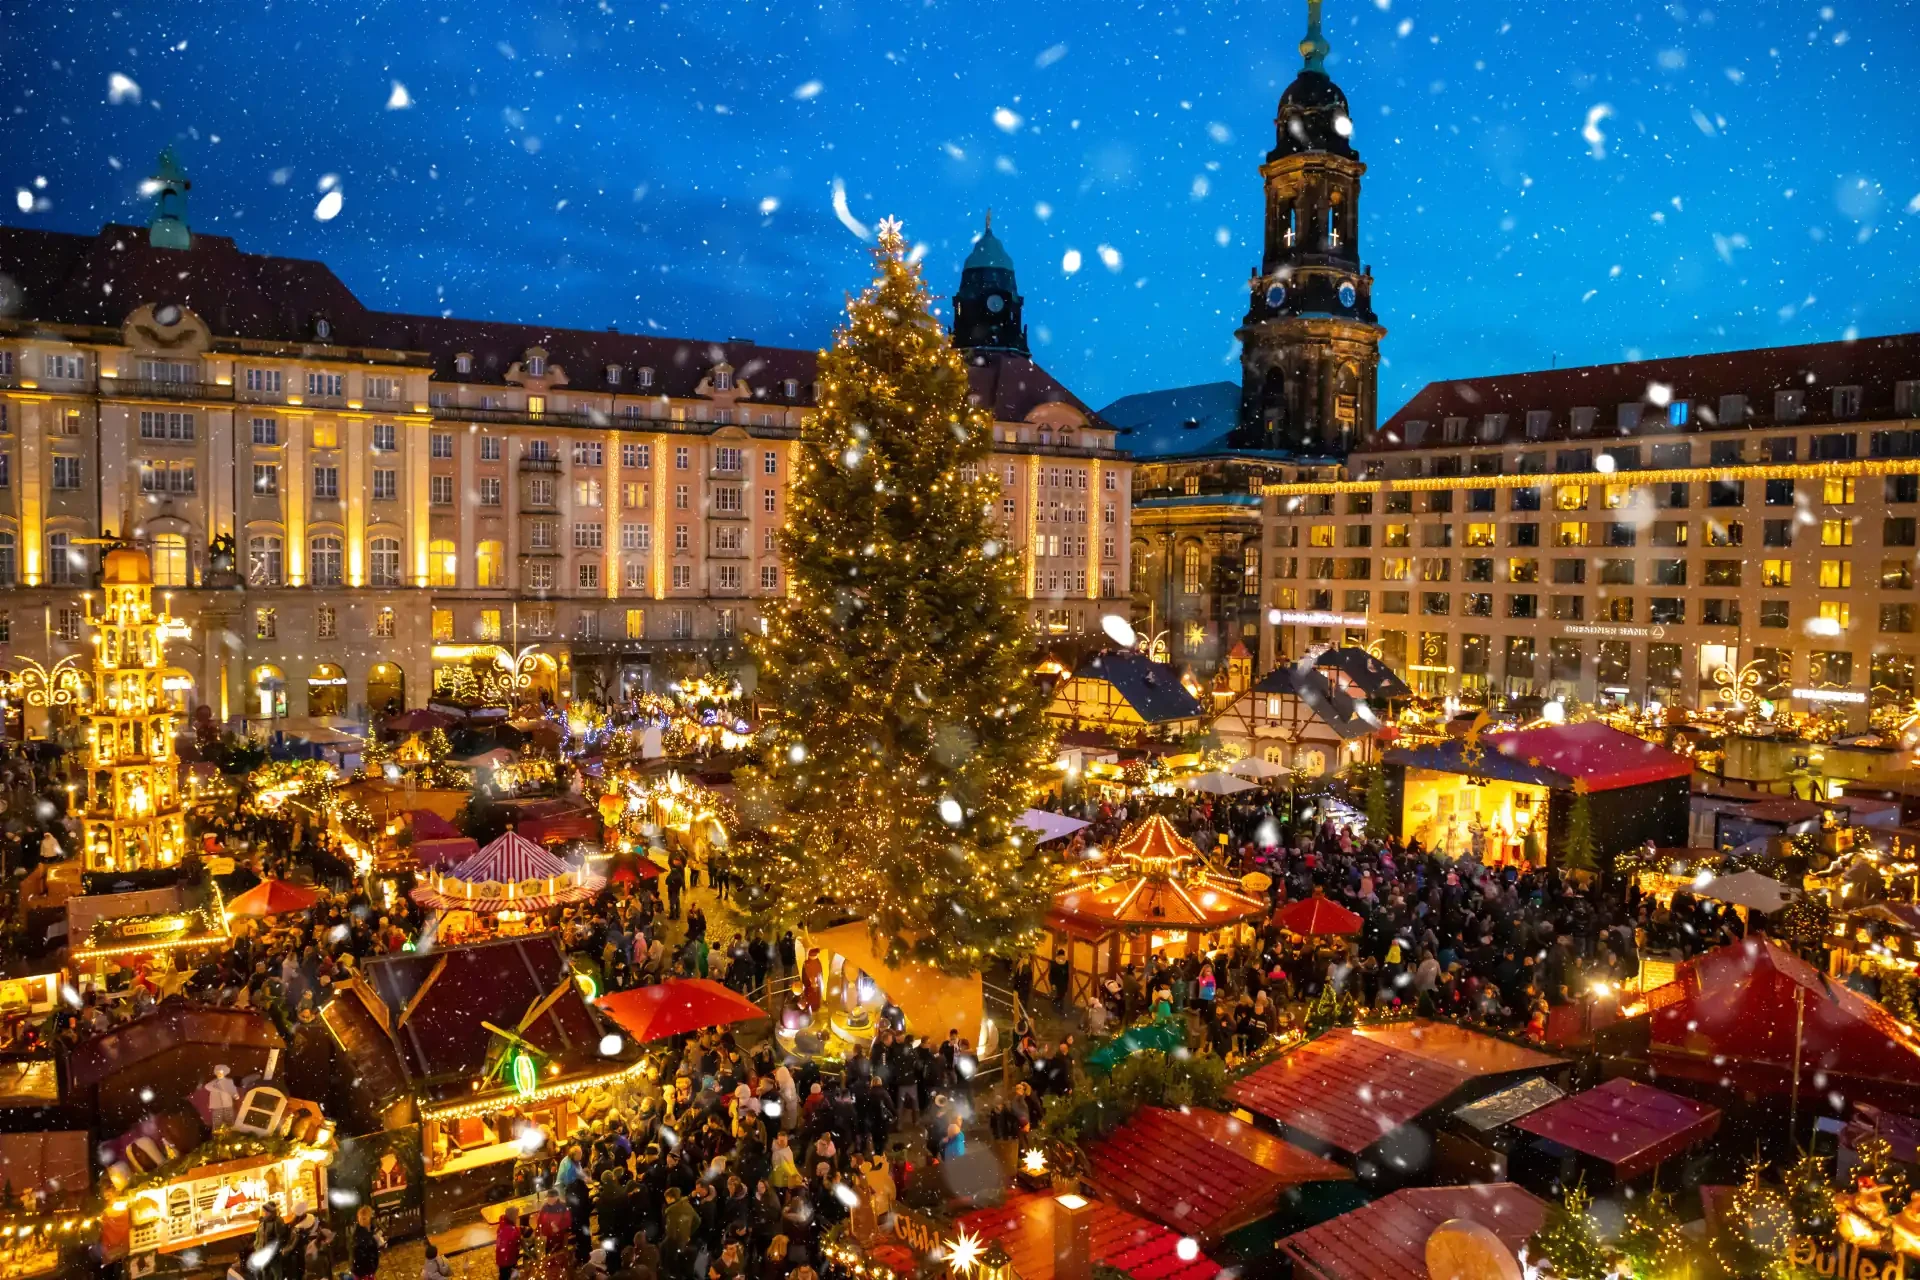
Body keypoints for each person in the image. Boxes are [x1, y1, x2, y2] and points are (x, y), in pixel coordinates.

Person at [348, 1205, 384, 1280]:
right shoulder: (359, 1236)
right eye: (362, 1218)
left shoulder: (370, 1230)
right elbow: (359, 1256)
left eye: (364, 1218)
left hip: (367, 1270)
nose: (363, 1220)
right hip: (363, 1272)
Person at [495, 1205, 524, 1280]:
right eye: (516, 1215)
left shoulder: (503, 1226)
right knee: (509, 1276)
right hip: (508, 1259)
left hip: (501, 1258)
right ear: (512, 1216)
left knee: (503, 1275)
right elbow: (516, 1239)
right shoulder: (512, 1230)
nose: (517, 1217)